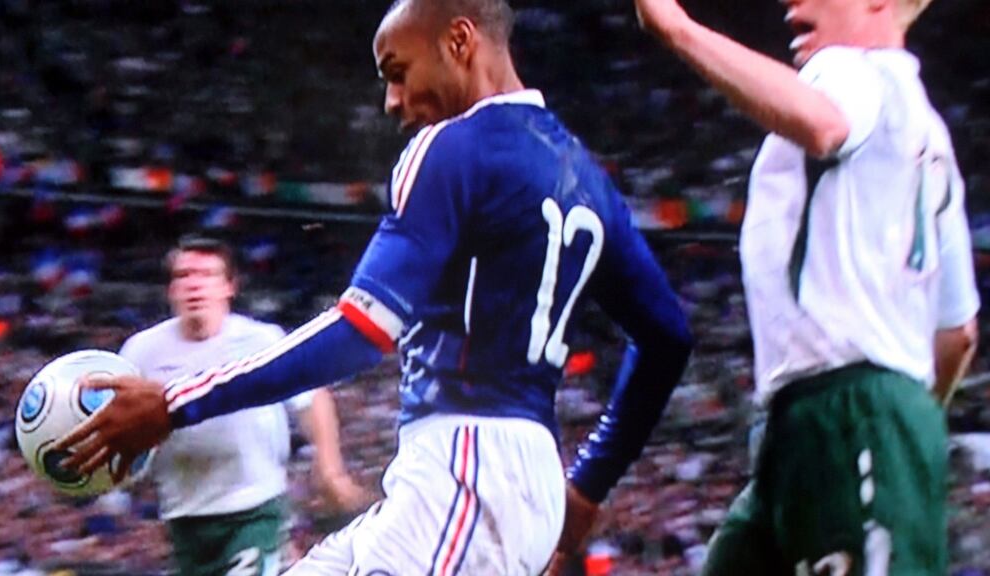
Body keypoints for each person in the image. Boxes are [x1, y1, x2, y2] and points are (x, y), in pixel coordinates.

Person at [59, 1, 693, 573]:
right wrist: (588, 483)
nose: (392, 101)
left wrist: (173, 404)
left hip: (465, 471)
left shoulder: (450, 147)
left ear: (460, 42)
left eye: (396, 70)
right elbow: (667, 336)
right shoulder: (587, 176)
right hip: (489, 475)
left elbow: (361, 332)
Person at [625, 0, 981, 573]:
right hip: (828, 427)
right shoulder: (932, 136)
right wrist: (907, 424)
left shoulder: (850, 70)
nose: (791, 2)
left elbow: (824, 125)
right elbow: (958, 334)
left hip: (845, 414)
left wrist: (678, 27)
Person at [119, 235, 368, 576]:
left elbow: (313, 397)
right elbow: (118, 421)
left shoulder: (261, 340)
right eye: (184, 275)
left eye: (207, 275)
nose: (195, 285)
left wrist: (330, 469)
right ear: (171, 290)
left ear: (229, 287)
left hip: (255, 509)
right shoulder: (141, 351)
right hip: (184, 518)